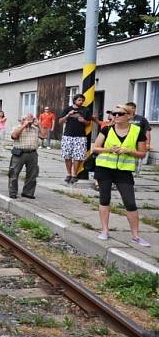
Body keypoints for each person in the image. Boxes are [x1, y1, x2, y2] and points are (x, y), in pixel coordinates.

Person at [92, 104, 150, 247]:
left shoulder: (137, 131)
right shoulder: (107, 129)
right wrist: (109, 149)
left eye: (120, 114)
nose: (116, 116)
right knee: (104, 199)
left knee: (130, 202)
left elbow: (142, 153)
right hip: (104, 169)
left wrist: (128, 151)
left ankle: (135, 236)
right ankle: (104, 231)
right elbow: (95, 148)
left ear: (129, 116)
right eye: (114, 113)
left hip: (123, 171)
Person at [59, 94, 91, 184]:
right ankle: (68, 174)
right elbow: (60, 121)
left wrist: (83, 121)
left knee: (78, 156)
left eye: (82, 100)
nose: (81, 102)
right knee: (67, 156)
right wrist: (68, 115)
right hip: (68, 136)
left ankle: (74, 175)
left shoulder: (86, 110)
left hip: (80, 136)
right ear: (74, 100)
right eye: (79, 100)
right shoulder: (67, 109)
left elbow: (88, 122)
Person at [8, 113, 42, 199]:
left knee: (32, 174)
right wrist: (24, 125)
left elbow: (44, 136)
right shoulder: (16, 127)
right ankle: (13, 192)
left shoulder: (35, 129)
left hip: (32, 153)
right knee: (14, 173)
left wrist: (39, 125)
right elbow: (14, 136)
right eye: (28, 119)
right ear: (22, 120)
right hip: (19, 153)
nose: (30, 121)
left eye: (31, 119)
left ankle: (28, 192)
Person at [126, 102, 152, 173]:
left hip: (139, 143)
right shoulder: (124, 118)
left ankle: (135, 173)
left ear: (134, 109)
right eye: (127, 108)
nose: (129, 110)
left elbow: (147, 131)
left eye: (131, 108)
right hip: (126, 142)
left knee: (137, 159)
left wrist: (147, 144)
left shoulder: (142, 119)